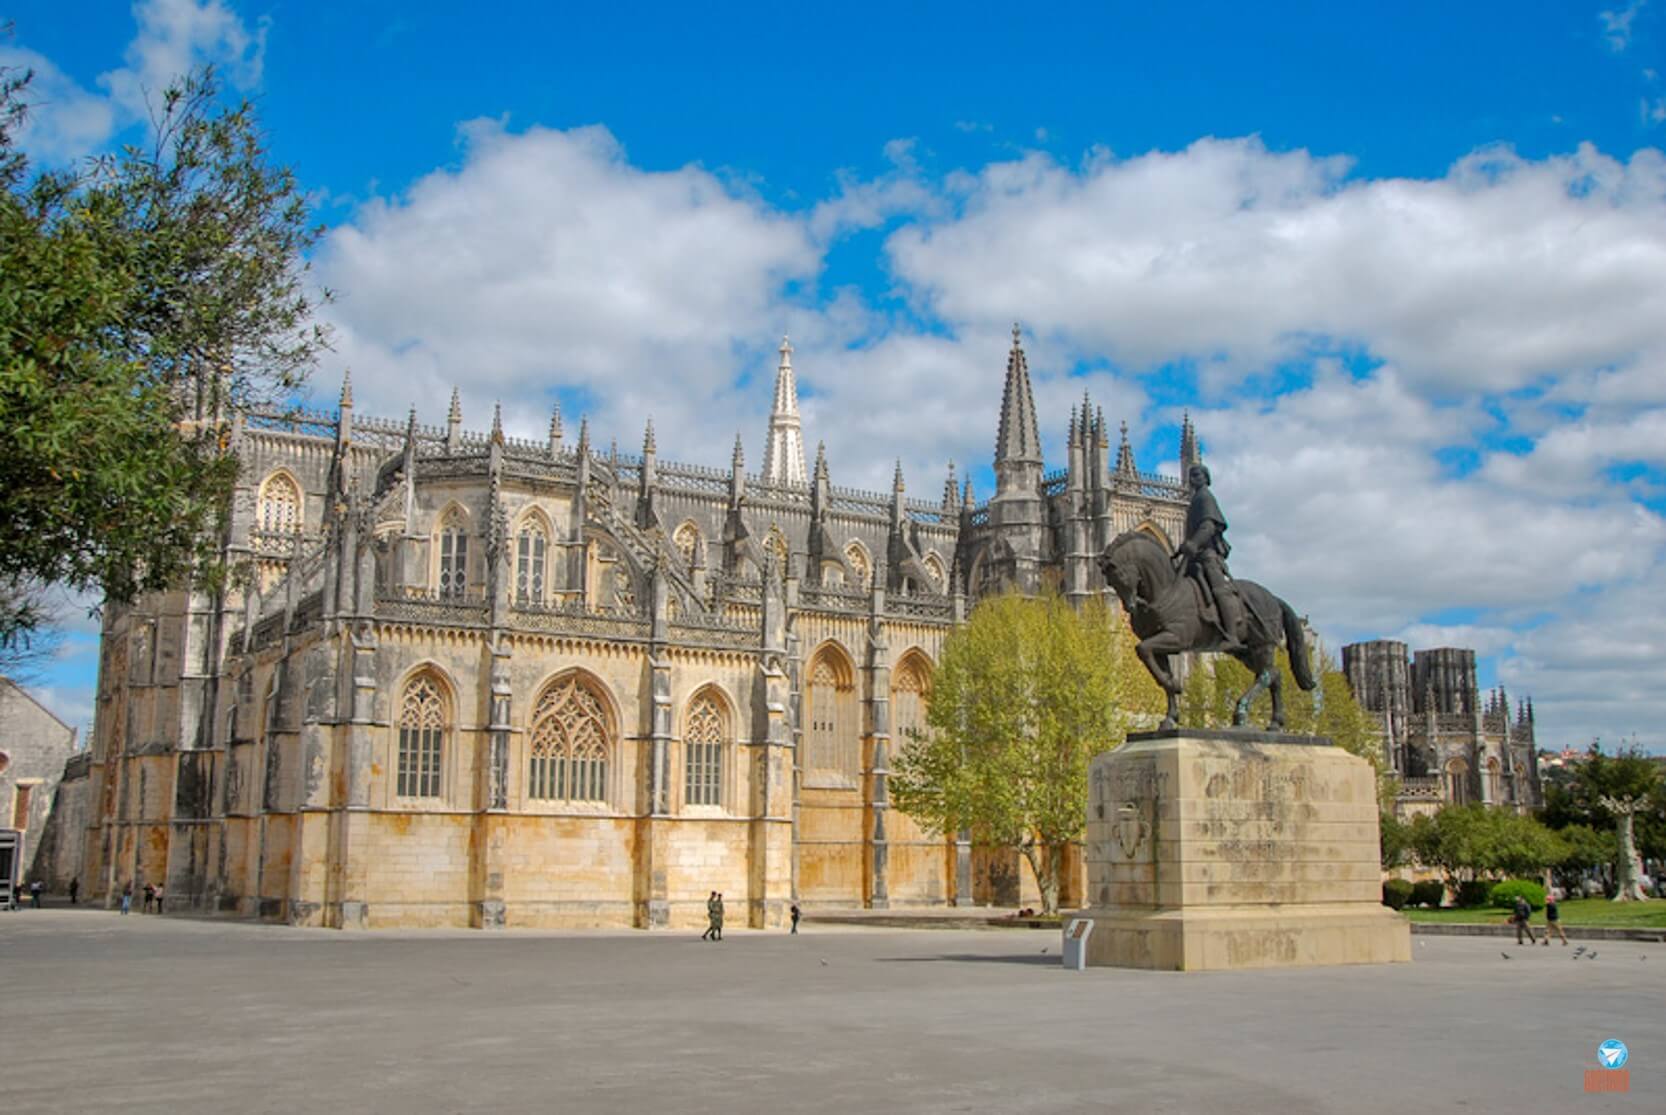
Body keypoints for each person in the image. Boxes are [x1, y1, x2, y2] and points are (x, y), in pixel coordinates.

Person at [1175, 463, 1244, 649]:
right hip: (1194, 556)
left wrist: (1194, 543)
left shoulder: (1205, 497)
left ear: (1206, 477)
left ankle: (1231, 635)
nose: (1192, 479)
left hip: (1207, 555)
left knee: (1219, 590)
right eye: (1191, 475)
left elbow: (1208, 526)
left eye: (1197, 475)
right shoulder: (1195, 499)